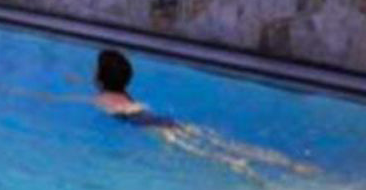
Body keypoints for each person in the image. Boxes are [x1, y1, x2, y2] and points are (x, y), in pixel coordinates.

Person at [91, 48, 315, 178]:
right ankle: (290, 164)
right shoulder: (126, 96)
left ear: (100, 77)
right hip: (157, 118)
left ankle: (247, 169)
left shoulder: (101, 99)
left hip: (142, 123)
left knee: (207, 154)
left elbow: (92, 104)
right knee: (221, 143)